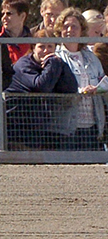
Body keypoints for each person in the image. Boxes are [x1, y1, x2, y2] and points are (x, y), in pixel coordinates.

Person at [52, 9, 105, 149]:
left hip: (92, 128)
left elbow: (101, 82)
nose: (70, 30)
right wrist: (80, 92)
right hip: (66, 129)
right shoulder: (56, 57)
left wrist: (100, 89)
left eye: (74, 26)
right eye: (66, 26)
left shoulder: (92, 58)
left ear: (82, 30)